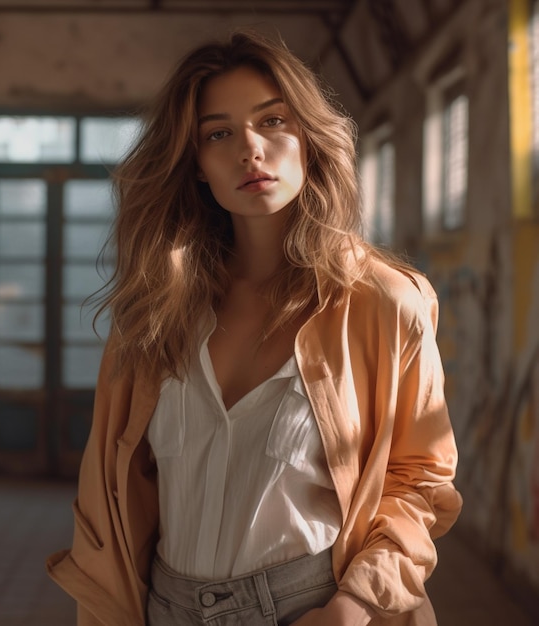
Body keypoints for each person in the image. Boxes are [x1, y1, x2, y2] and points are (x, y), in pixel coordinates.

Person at [47, 29, 462, 626]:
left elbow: (420, 479)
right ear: (196, 165)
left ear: (309, 139)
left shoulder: (385, 303)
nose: (250, 149)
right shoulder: (154, 310)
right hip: (164, 607)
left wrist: (352, 606)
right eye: (219, 133)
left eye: (273, 121)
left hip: (314, 607)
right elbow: (106, 494)